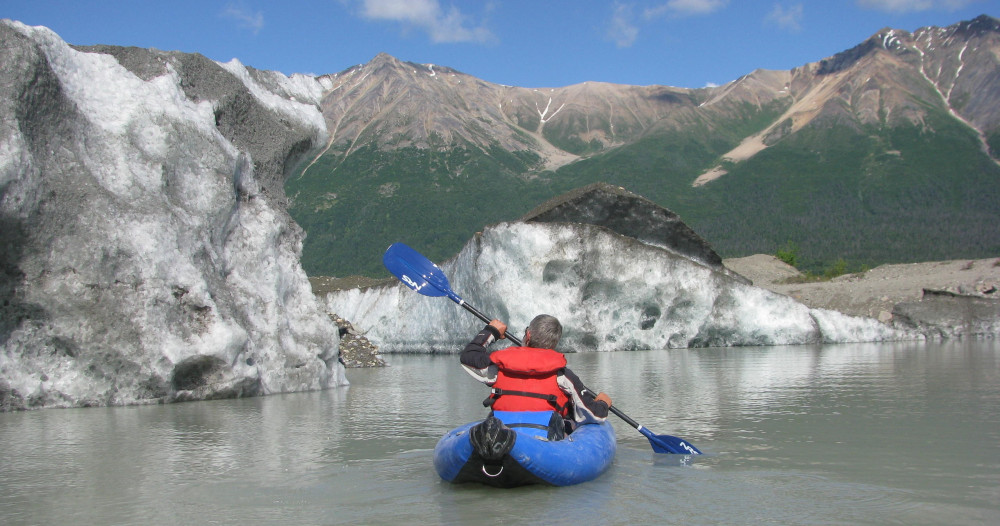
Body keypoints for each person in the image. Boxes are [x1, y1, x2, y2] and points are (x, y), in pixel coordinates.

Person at [460, 314, 612, 433]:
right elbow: (594, 414)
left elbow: (469, 356)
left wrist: (491, 331)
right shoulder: (564, 377)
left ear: (528, 335)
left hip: (503, 432)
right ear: (554, 343)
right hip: (545, 439)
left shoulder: (499, 368)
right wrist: (603, 403)